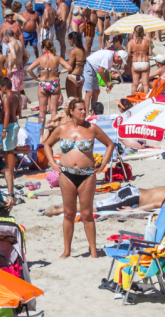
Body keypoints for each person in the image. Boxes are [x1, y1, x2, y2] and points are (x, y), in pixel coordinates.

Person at [43, 99, 113, 258]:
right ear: (71, 111)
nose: (83, 112)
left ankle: (93, 250)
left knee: (87, 214)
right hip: (66, 174)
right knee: (68, 213)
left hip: (87, 175)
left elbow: (110, 144)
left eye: (85, 109)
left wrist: (102, 165)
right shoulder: (61, 129)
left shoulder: (92, 128)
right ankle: (67, 250)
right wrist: (53, 163)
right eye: (80, 109)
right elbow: (47, 144)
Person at [43, 185, 165, 216]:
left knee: (97, 204)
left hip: (133, 191)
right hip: (131, 199)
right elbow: (156, 204)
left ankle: (61, 206)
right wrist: (134, 209)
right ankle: (58, 210)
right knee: (95, 207)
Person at [27, 40, 72, 125]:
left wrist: (36, 78)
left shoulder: (41, 58)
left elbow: (29, 69)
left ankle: (41, 133)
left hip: (43, 83)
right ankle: (53, 129)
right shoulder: (57, 58)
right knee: (53, 110)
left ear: (44, 47)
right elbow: (69, 68)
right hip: (54, 84)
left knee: (42, 111)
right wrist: (59, 72)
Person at [0, 77, 22, 172]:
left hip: (9, 127)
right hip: (15, 125)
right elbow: (18, 112)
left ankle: (11, 173)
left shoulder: (6, 99)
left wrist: (4, 130)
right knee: (10, 151)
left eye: (1, 87)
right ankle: (10, 172)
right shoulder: (15, 97)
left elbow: (7, 114)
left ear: (4, 87)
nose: (1, 89)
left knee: (8, 152)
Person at [127, 25, 152, 96]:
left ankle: (133, 100)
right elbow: (150, 53)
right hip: (145, 62)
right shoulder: (147, 41)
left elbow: (128, 54)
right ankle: (145, 100)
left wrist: (135, 53)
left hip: (136, 63)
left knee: (135, 84)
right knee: (146, 84)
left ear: (135, 32)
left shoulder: (131, 42)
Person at [4, 30, 30, 95]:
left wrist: (9, 69)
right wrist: (23, 65)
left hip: (13, 71)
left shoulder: (10, 44)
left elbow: (14, 56)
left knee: (12, 92)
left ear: (7, 36)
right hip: (20, 70)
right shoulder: (20, 42)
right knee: (18, 92)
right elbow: (27, 55)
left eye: (5, 37)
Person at [65, 32, 86, 100]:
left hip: (73, 77)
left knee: (72, 101)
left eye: (69, 39)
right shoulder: (83, 50)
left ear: (72, 40)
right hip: (81, 77)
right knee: (79, 100)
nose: (68, 41)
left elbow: (69, 67)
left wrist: (60, 72)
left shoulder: (73, 52)